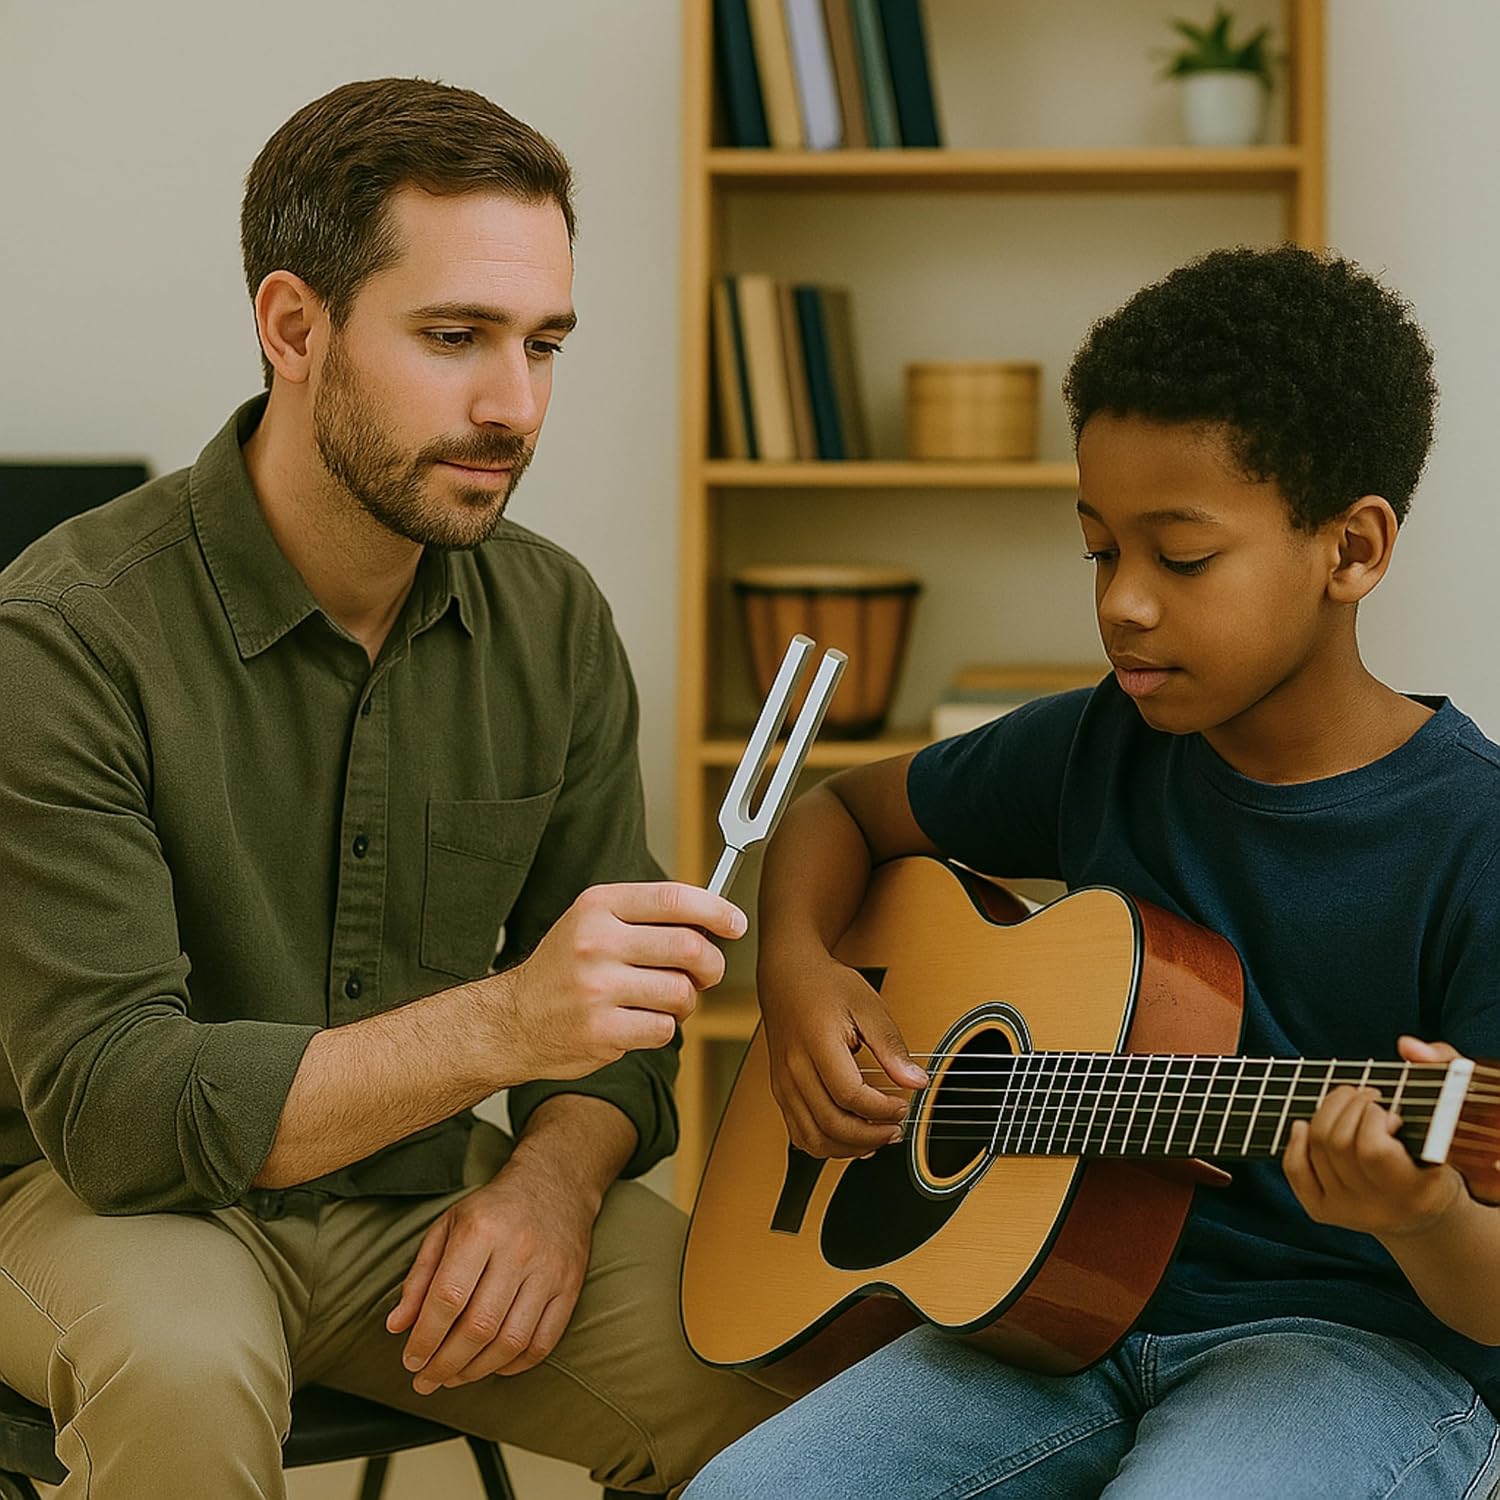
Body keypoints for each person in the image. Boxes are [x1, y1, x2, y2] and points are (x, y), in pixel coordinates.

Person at [0, 77, 781, 1499]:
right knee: (182, 1371)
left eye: (544, 343)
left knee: (789, 1359)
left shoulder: (549, 620)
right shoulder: (60, 639)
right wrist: (503, 1025)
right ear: (294, 328)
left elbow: (617, 1035)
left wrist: (550, 1185)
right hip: (89, 1200)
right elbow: (116, 1111)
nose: (515, 405)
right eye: (454, 338)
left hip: (413, 1196)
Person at [684, 245, 1500, 1499]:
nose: (1122, 604)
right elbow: (839, 811)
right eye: (1097, 552)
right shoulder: (1100, 744)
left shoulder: (1476, 838)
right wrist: (797, 971)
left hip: (1350, 1354)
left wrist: (1424, 1215)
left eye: (1179, 559)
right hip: (1049, 1322)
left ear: (1352, 549)